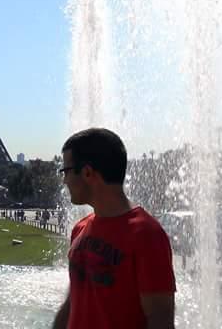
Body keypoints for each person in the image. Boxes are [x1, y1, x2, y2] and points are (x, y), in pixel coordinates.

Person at [52, 128, 176, 329]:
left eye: (66, 171)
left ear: (87, 172)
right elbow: (71, 303)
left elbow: (160, 320)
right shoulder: (79, 229)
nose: (64, 180)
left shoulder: (147, 235)